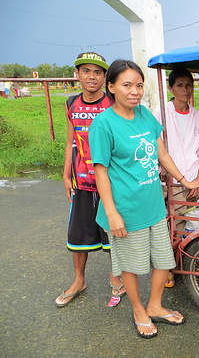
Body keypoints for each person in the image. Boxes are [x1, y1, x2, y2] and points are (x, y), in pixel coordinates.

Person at [89, 59, 199, 339]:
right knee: (130, 265)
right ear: (112, 87)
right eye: (127, 85)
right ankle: (139, 310)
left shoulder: (144, 116)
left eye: (139, 85)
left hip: (153, 204)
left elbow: (162, 154)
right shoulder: (103, 125)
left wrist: (185, 180)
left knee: (164, 261)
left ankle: (154, 305)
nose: (135, 91)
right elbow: (101, 173)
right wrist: (112, 213)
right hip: (125, 209)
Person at [55, 52, 126, 308]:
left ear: (106, 78)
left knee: (113, 234)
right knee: (78, 235)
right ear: (77, 75)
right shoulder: (71, 104)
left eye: (98, 72)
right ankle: (79, 280)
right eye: (86, 71)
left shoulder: (113, 102)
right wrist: (65, 174)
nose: (92, 76)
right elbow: (70, 141)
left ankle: (116, 278)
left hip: (109, 181)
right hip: (81, 181)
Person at [153, 66, 199, 288]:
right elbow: (158, 148)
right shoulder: (161, 113)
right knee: (172, 226)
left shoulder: (197, 116)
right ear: (170, 88)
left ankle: (189, 261)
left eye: (189, 85)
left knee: (191, 223)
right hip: (172, 181)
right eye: (180, 85)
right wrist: (169, 176)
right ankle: (168, 268)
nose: (185, 90)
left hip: (193, 179)